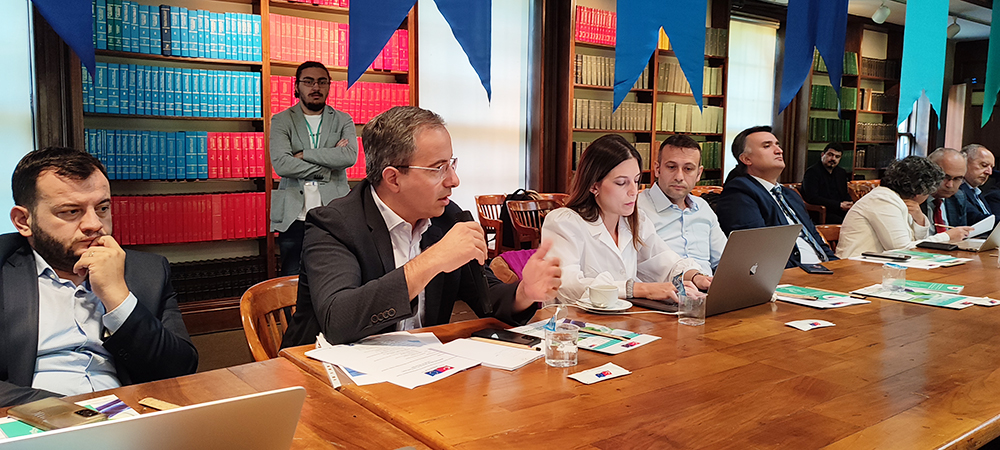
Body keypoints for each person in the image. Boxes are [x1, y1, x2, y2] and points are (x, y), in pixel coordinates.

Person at [280, 107, 561, 347]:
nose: (454, 180)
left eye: (451, 164)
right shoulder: (334, 224)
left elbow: (486, 299)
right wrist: (433, 259)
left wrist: (524, 292)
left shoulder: (449, 217)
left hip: (419, 370)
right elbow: (338, 321)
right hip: (323, 373)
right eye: (438, 168)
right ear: (393, 178)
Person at [0, 147, 198, 408]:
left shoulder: (148, 271)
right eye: (71, 211)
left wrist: (118, 299)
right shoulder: (4, 267)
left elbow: (180, 371)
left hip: (130, 417)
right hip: (32, 418)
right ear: (23, 221)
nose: (94, 224)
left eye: (102, 208)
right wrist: (72, 411)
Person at [541, 134, 711, 305]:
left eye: (636, 181)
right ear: (594, 185)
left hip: (624, 319)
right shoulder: (564, 222)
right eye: (621, 183)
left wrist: (696, 277)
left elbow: (663, 259)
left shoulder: (635, 220)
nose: (633, 191)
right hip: (574, 320)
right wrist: (638, 289)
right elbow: (567, 286)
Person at [270, 61, 358, 276]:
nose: (316, 87)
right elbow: (282, 164)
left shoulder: (343, 119)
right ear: (297, 86)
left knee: (336, 276)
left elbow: (349, 156)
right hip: (293, 216)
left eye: (322, 82)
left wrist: (304, 154)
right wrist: (328, 165)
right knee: (292, 279)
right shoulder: (281, 120)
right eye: (308, 82)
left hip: (334, 213)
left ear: (329, 86)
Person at [716, 126, 837, 268]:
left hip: (822, 269)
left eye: (777, 145)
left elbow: (816, 238)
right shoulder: (739, 192)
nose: (779, 150)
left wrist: (838, 266)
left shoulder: (790, 195)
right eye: (767, 146)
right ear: (746, 159)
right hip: (793, 274)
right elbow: (760, 251)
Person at [836, 156, 973, 258]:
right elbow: (903, 249)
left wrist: (919, 220)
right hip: (855, 269)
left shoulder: (896, 199)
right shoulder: (883, 200)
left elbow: (915, 242)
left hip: (877, 267)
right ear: (920, 192)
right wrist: (947, 237)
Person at [636, 135, 726, 274]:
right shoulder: (636, 208)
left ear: (699, 174)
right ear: (657, 169)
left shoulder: (703, 207)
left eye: (688, 169)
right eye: (671, 167)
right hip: (663, 286)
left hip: (708, 285)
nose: (679, 177)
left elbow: (724, 261)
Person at [923, 148, 988, 233]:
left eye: (957, 179)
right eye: (945, 177)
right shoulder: (915, 198)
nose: (950, 185)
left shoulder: (959, 197)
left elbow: (962, 235)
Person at [800, 143, 853, 224]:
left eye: (837, 157)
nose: (833, 159)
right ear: (822, 155)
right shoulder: (812, 172)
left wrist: (850, 203)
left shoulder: (841, 172)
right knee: (843, 222)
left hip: (839, 210)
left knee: (857, 220)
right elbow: (812, 198)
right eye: (830, 155)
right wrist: (838, 205)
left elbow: (844, 193)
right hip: (820, 212)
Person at [958, 144, 997, 222]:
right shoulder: (956, 191)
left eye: (991, 167)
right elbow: (977, 218)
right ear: (964, 162)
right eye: (984, 165)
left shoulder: (977, 193)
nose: (989, 172)